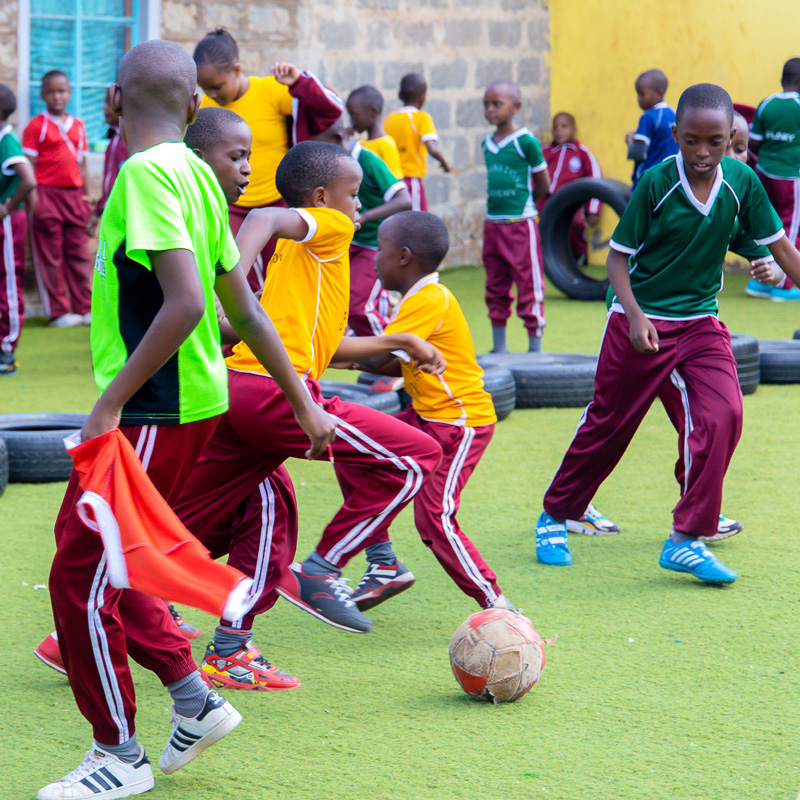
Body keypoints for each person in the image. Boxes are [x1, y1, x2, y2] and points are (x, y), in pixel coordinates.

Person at [39, 40, 336, 800]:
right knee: (118, 560)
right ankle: (194, 700)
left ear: (112, 101)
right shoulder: (200, 179)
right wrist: (303, 401)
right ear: (195, 105)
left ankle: (117, 754)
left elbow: (189, 305)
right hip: (192, 406)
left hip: (149, 409)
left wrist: (108, 402)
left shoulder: (144, 174)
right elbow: (244, 307)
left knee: (77, 579)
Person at [173, 141, 444, 662]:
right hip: (275, 393)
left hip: (238, 393)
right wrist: (229, 274)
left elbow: (325, 348)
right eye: (354, 194)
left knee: (193, 520)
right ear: (321, 199)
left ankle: (100, 624)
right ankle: (322, 568)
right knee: (418, 457)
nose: (360, 207)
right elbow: (266, 217)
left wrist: (400, 341)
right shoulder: (331, 228)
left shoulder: (303, 258)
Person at [535, 83, 800, 585]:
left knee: (724, 413)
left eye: (715, 142)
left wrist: (763, 263)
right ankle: (555, 514)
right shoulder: (657, 183)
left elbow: (780, 248)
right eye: (693, 140)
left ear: (732, 138)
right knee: (609, 425)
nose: (703, 152)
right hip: (641, 322)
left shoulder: (742, 181)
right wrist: (634, 315)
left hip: (700, 322)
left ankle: (687, 538)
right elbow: (616, 259)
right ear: (676, 134)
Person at [345, 211, 514, 612]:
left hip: (458, 424)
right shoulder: (416, 299)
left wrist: (320, 349)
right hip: (425, 417)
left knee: (434, 518)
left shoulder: (429, 299)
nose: (372, 259)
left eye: (380, 251)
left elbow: (378, 356)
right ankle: (383, 563)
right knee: (351, 446)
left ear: (403, 256)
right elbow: (390, 363)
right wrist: (341, 356)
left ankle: (499, 606)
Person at [193, 27, 342, 291]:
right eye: (205, 88)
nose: (212, 94)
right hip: (232, 208)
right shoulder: (205, 107)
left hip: (280, 204)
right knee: (237, 279)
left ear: (237, 70)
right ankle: (241, 331)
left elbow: (331, 109)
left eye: (217, 86)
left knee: (285, 276)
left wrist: (300, 83)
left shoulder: (272, 91)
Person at [315, 113, 411, 336]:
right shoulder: (330, 167)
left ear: (338, 140)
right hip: (351, 243)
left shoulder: (368, 161)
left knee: (359, 308)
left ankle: (390, 356)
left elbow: (404, 199)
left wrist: (365, 217)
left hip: (376, 244)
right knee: (335, 303)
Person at [481, 79, 549, 355]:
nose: (489, 110)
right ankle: (500, 348)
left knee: (529, 284)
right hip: (492, 226)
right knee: (495, 284)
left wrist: (527, 205)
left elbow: (543, 183)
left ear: (516, 106)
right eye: (486, 105)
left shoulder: (525, 142)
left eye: (496, 104)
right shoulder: (487, 143)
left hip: (519, 226)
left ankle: (535, 349)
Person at [23, 70, 94, 327]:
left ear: (70, 93)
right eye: (51, 91)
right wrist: (34, 200)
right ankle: (59, 312)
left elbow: (83, 163)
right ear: (43, 95)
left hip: (74, 196)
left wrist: (87, 194)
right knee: (50, 254)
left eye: (61, 91)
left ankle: (85, 308)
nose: (57, 96)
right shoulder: (36, 126)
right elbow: (28, 164)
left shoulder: (78, 125)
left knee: (78, 253)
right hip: (46, 194)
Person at [745, 58, 800, 301]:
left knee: (767, 225)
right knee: (791, 226)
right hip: (791, 177)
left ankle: (759, 282)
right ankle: (786, 284)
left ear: (782, 79)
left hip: (764, 173)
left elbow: (753, 142)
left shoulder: (766, 104)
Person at [0, 84, 35, 375]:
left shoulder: (7, 141)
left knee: (9, 283)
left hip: (9, 223)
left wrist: (8, 208)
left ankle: (8, 348)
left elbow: (28, 179)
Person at [538, 111, 603, 261]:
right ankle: (543, 258)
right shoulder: (545, 152)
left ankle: (578, 254)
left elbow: (596, 178)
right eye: (555, 127)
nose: (559, 131)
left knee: (575, 223)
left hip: (570, 201)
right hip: (546, 200)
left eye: (564, 126)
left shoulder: (582, 153)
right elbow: (533, 175)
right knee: (535, 223)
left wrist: (593, 210)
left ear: (574, 129)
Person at [384, 73, 450, 210]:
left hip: (391, 181)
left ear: (399, 95)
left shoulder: (389, 119)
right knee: (417, 221)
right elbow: (432, 148)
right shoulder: (422, 118)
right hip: (411, 180)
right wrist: (444, 163)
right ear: (423, 97)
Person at [86, 85, 129, 237]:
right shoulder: (114, 139)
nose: (104, 107)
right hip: (113, 214)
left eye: (108, 102)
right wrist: (98, 212)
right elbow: (111, 183)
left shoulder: (130, 141)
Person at [625, 69, 678, 189]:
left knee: (638, 207)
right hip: (668, 179)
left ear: (659, 93)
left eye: (642, 94)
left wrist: (629, 141)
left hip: (647, 179)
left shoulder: (648, 117)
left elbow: (637, 153)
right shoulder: (673, 114)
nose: (638, 99)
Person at [345, 85, 403, 179]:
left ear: (373, 111)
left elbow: (395, 182)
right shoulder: (360, 144)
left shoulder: (386, 144)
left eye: (354, 115)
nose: (351, 121)